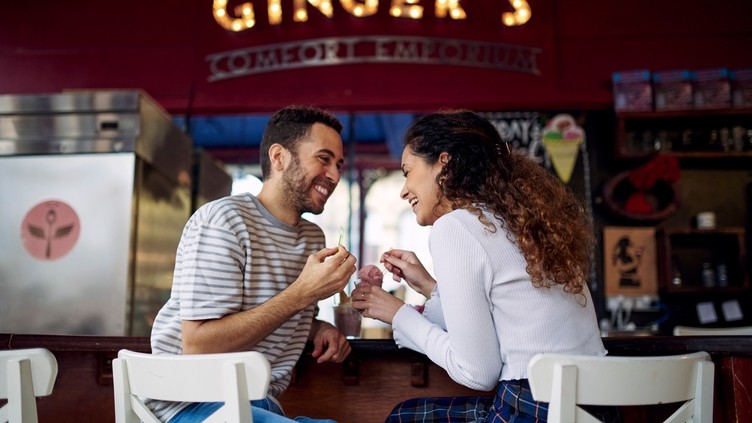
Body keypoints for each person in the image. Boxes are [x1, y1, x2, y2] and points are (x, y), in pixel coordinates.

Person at [351, 110, 611, 423]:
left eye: (407, 171)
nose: (404, 189)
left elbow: (476, 372)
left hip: (534, 408)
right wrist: (429, 286)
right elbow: (507, 314)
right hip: (594, 409)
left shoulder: (456, 227)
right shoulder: (522, 221)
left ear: (443, 163)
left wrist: (397, 313)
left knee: (403, 417)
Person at [150, 105, 357, 423]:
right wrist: (302, 294)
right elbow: (197, 345)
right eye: (323, 158)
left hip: (258, 405)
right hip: (191, 404)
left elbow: (273, 315)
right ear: (279, 158)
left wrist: (317, 327)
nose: (334, 175)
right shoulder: (224, 220)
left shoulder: (313, 238)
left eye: (339, 164)